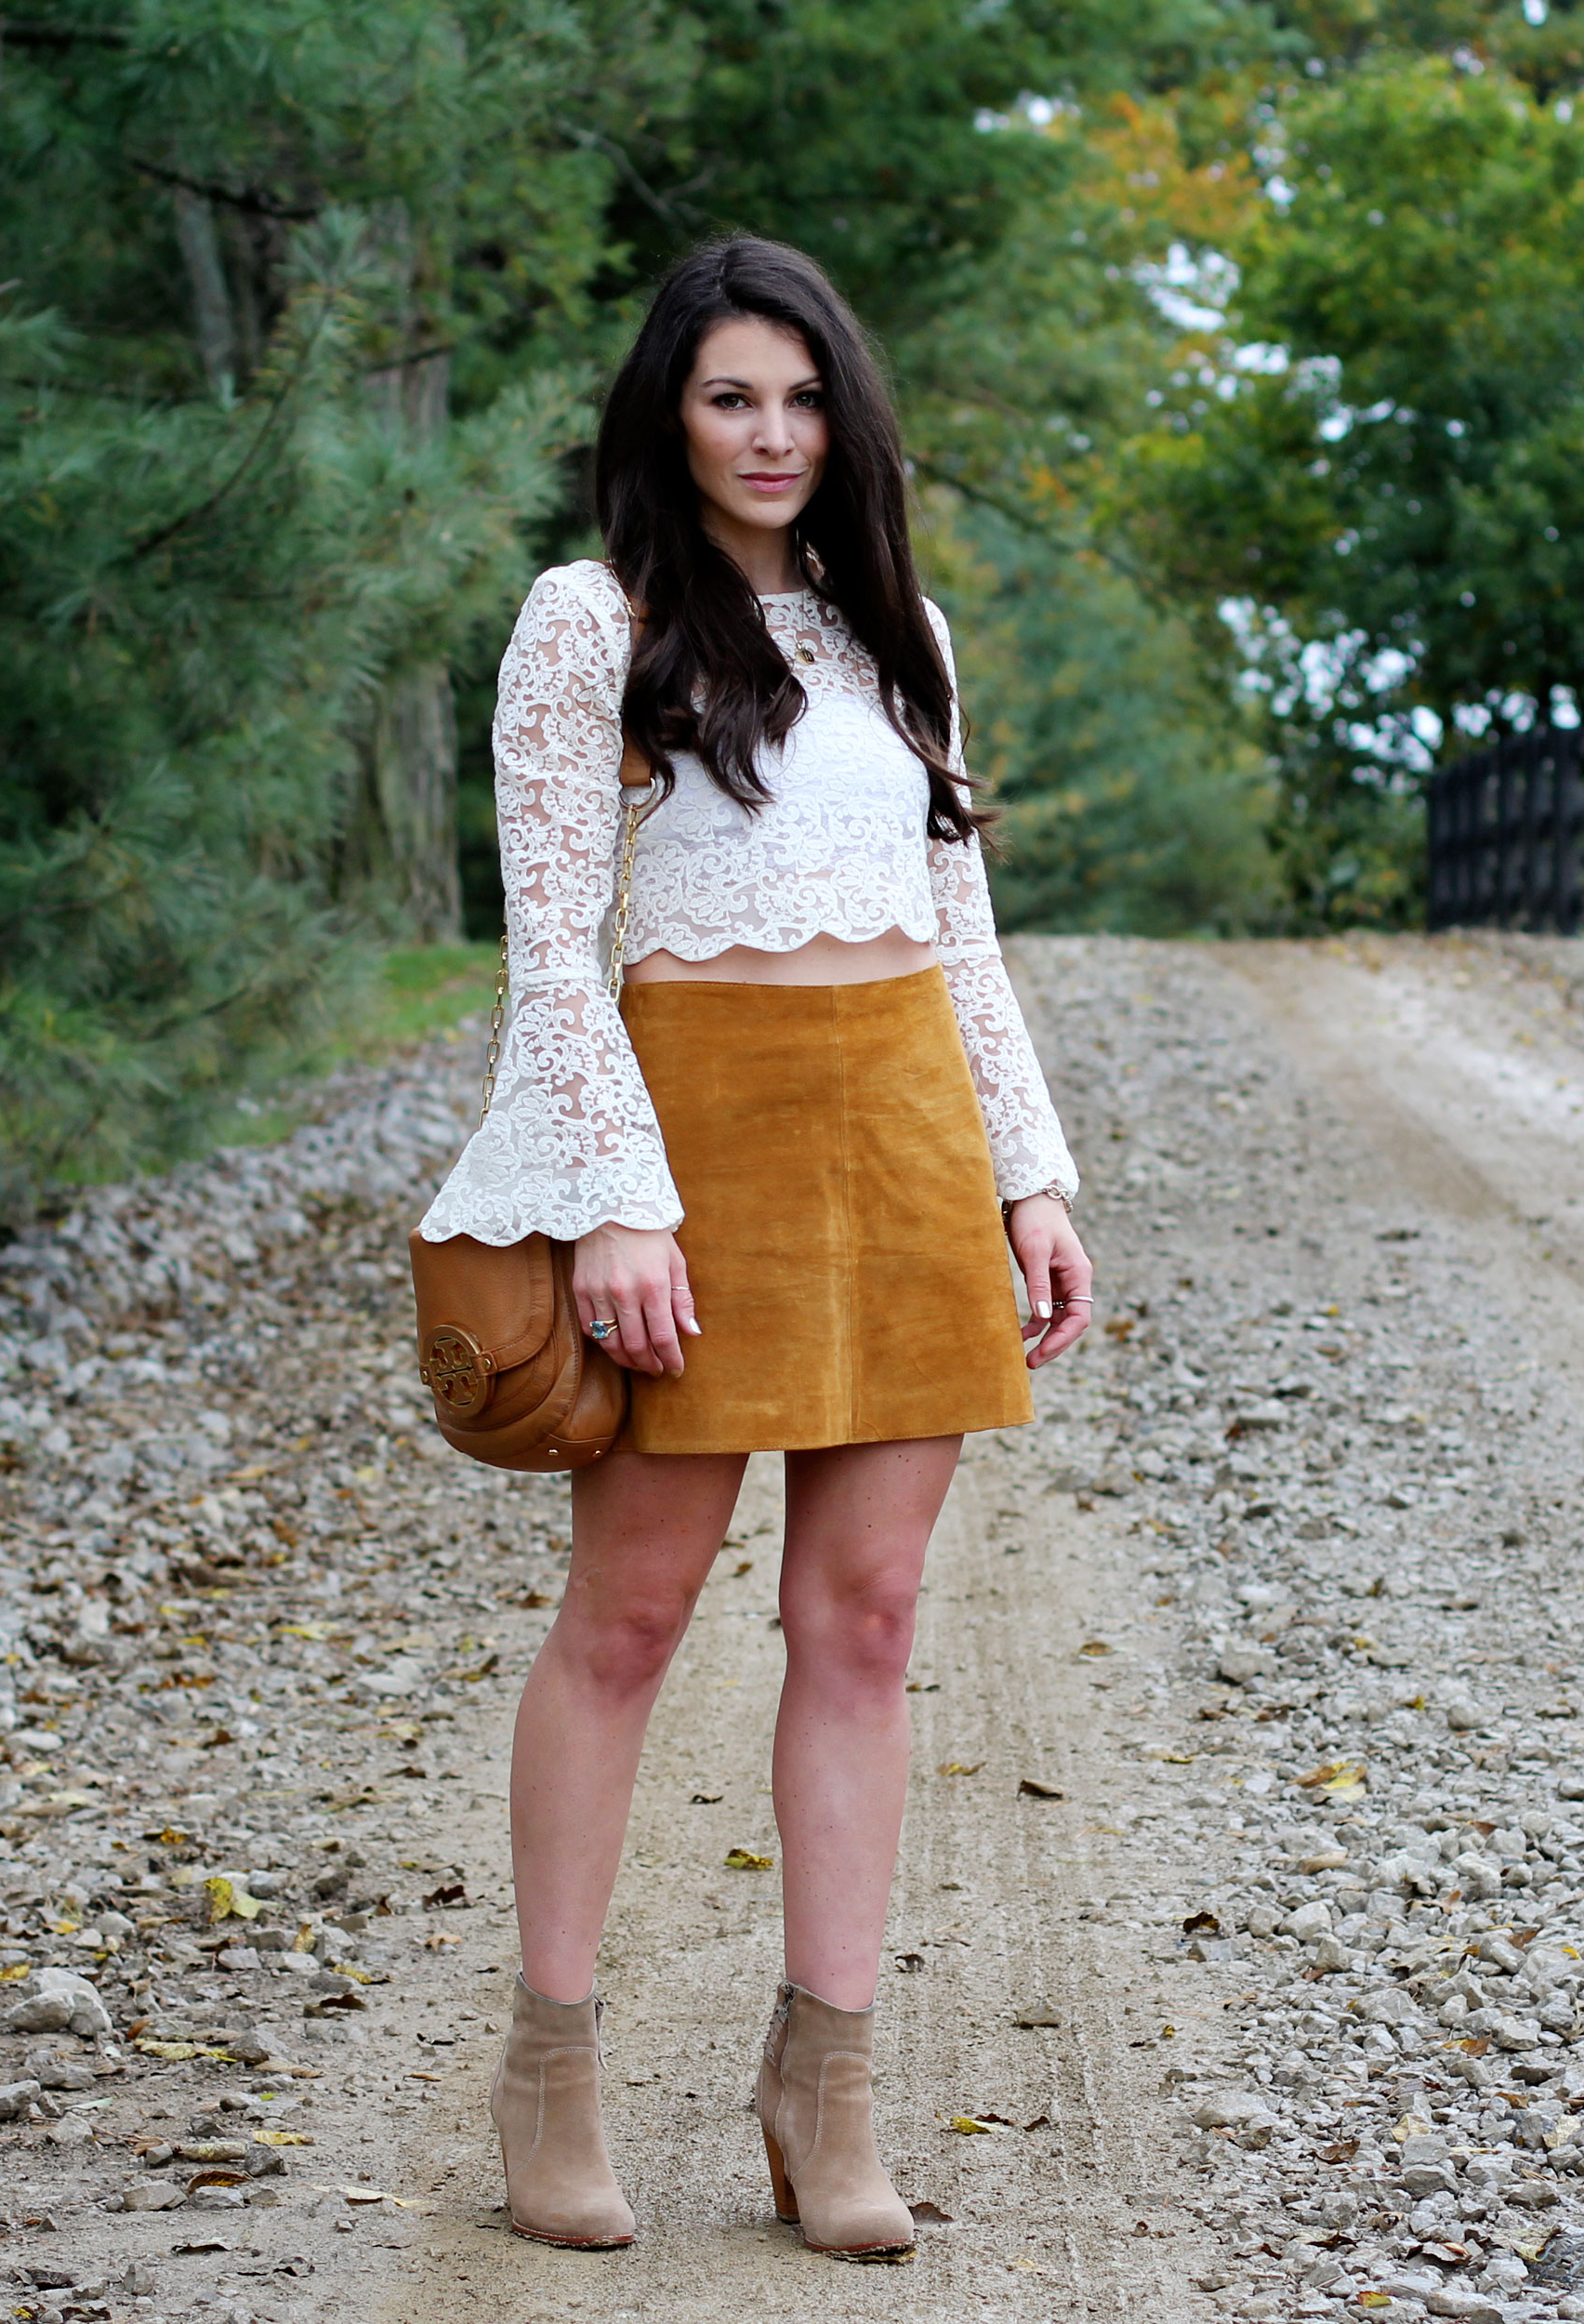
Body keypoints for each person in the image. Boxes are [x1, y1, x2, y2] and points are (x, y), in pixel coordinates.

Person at [418, 235, 1090, 2260]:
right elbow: (551, 955)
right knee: (626, 1619)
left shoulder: (902, 631)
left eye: (800, 399)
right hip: (690, 1134)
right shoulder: (585, 621)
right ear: (668, 413)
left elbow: (960, 940)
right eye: (729, 397)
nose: (770, 435)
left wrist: (1028, 1171)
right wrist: (618, 1191)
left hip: (902, 1133)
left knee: (867, 1619)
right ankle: (549, 2065)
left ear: (843, 414)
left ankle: (828, 2081)